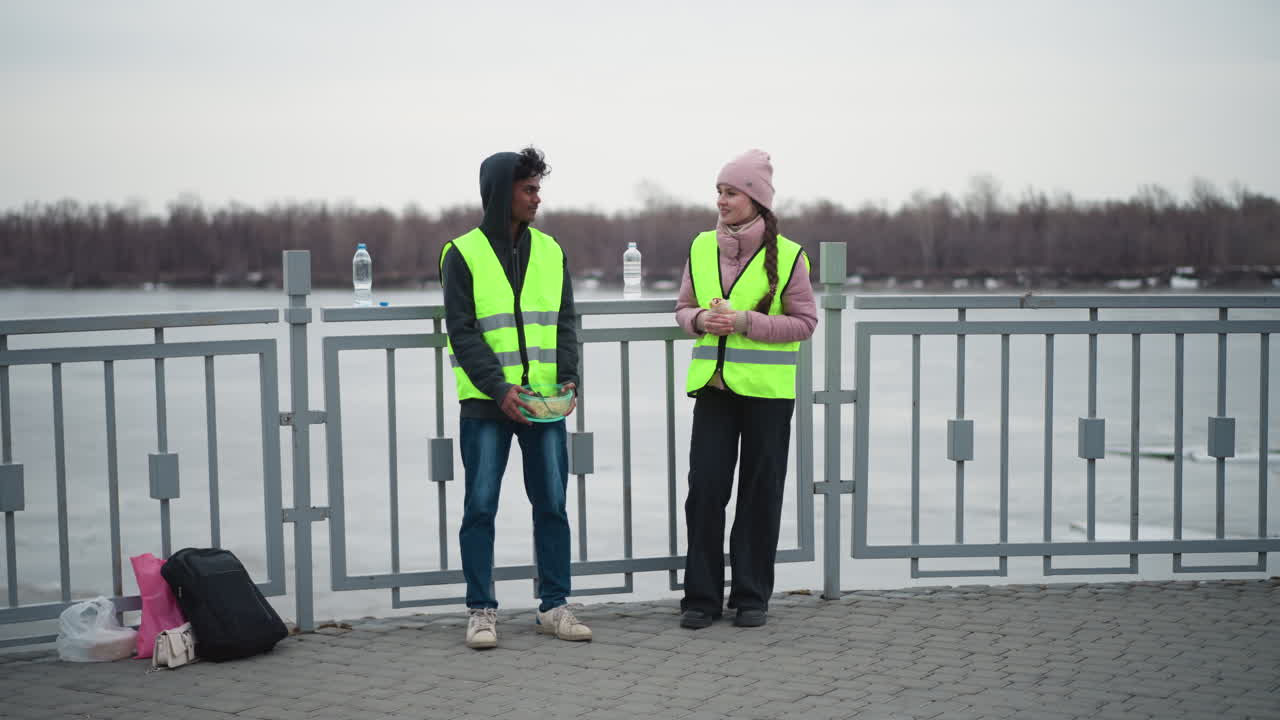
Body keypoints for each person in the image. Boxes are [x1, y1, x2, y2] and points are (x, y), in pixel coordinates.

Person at [439, 147, 591, 649]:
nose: (537, 198)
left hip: (545, 402)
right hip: (487, 404)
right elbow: (461, 332)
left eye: (537, 188)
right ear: (501, 193)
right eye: (528, 189)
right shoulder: (461, 253)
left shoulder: (551, 250)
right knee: (480, 506)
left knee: (552, 503)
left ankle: (554, 606)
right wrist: (500, 389)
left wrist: (569, 377)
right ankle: (482, 610)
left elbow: (566, 322)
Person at [674, 149, 818, 629]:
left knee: (760, 494)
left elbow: (804, 323)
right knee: (705, 492)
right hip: (713, 390)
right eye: (718, 191)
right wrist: (699, 319)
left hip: (767, 394)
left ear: (755, 198)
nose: (721, 200)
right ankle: (701, 599)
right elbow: (683, 309)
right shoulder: (699, 248)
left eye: (730, 192)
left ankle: (752, 597)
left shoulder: (792, 255)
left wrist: (744, 322)